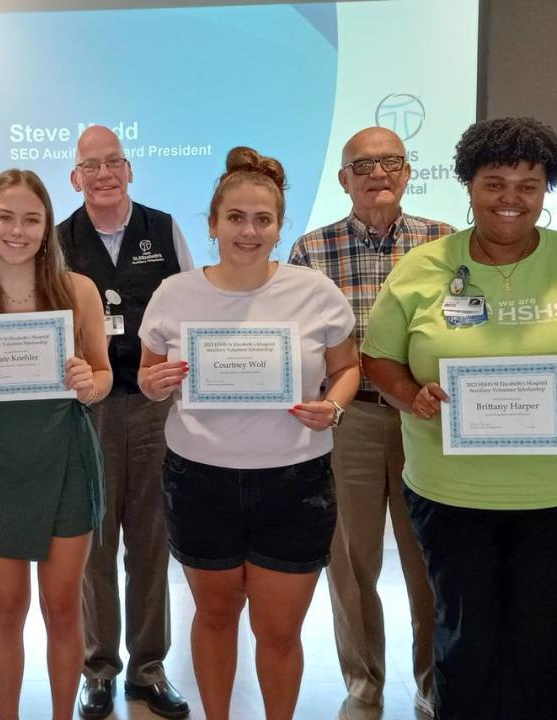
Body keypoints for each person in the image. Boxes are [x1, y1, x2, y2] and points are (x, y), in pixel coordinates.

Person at [362, 116, 557, 720]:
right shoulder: (422, 268)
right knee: (465, 635)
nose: (510, 199)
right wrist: (409, 395)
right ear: (468, 186)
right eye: (494, 182)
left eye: (528, 184)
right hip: (452, 491)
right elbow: (378, 358)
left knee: (544, 637)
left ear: (546, 188)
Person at [138, 147, 360, 719]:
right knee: (213, 618)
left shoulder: (315, 293)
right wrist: (156, 382)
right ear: (211, 224)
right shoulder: (174, 294)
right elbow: (146, 376)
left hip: (295, 482)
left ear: (280, 227)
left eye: (263, 219)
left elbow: (348, 368)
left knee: (279, 630)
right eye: (235, 217)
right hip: (200, 480)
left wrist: (332, 408)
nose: (249, 230)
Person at [289, 126, 454, 720]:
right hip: (349, 422)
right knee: (352, 561)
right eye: (362, 165)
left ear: (408, 172)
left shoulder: (444, 242)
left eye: (389, 162)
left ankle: (435, 683)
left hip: (427, 417)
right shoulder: (311, 250)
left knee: (431, 557)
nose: (376, 173)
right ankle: (364, 686)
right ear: (343, 180)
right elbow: (298, 344)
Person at [0, 168, 112, 720]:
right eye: (5, 217)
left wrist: (89, 383)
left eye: (31, 219)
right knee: (6, 609)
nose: (18, 230)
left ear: (47, 227)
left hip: (65, 458)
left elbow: (104, 376)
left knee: (62, 608)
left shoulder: (76, 290)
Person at [57, 124, 193, 720]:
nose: (104, 173)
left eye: (114, 162)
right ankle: (99, 669)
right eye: (92, 165)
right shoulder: (57, 242)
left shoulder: (163, 229)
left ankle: (148, 667)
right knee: (95, 542)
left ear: (131, 170)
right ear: (75, 177)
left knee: (151, 538)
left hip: (154, 404)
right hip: (86, 406)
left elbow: (192, 308)